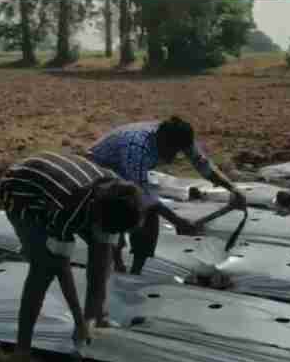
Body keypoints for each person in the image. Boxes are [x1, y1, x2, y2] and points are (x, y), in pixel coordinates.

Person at [0, 152, 143, 359]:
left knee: (102, 252)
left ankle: (96, 316)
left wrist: (90, 317)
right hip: (22, 189)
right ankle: (22, 349)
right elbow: (61, 267)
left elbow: (104, 253)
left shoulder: (120, 190)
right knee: (43, 268)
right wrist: (78, 320)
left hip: (61, 180)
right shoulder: (68, 209)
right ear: (96, 215)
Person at [88, 116, 246, 274]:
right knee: (122, 213)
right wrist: (177, 221)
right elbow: (144, 196)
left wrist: (232, 188)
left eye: (177, 152)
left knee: (149, 222)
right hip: (100, 169)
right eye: (171, 151)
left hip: (128, 170)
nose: (173, 157)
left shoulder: (179, 138)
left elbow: (202, 165)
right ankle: (117, 265)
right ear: (161, 141)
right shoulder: (136, 147)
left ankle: (136, 272)